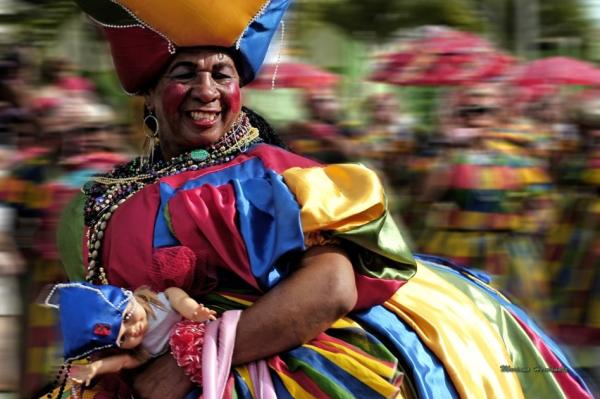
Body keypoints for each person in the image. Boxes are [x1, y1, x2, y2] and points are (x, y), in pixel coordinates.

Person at [49, 1, 594, 398]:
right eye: (184, 73)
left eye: (221, 73)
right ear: (149, 92)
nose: (206, 90)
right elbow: (103, 306)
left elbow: (330, 285)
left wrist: (192, 361)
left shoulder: (279, 177)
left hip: (279, 370)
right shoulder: (99, 201)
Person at [45, 282, 216, 389]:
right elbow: (122, 362)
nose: (132, 330)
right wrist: (95, 368)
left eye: (127, 317)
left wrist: (194, 312)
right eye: (123, 338)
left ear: (130, 298)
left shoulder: (161, 303)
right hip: (193, 360)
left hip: (206, 328)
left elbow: (179, 298)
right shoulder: (143, 349)